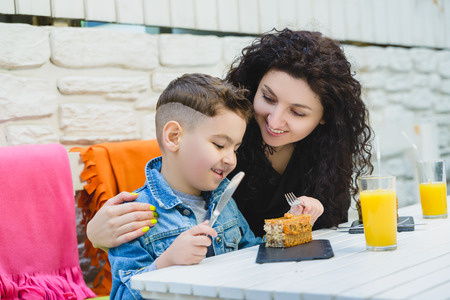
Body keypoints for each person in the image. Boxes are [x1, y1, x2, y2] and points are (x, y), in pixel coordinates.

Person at [87, 28, 372, 245]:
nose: (274, 121)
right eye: (268, 98)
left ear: (324, 117)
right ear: (253, 84)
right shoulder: (226, 133)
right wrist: (95, 235)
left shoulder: (328, 152)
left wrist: (314, 214)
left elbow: (327, 235)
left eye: (297, 113)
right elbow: (175, 201)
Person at [108, 73, 261, 300]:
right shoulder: (136, 214)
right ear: (174, 137)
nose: (231, 160)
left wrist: (293, 225)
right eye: (219, 145)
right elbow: (121, 295)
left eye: (235, 148)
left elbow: (254, 255)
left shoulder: (225, 200)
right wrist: (166, 263)